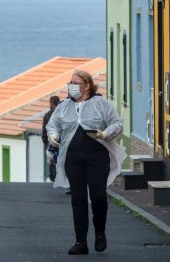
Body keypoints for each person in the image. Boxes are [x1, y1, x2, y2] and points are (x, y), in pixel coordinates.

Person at [46, 70, 125, 255]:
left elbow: (117, 123)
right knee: (78, 198)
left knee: (98, 196)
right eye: (70, 82)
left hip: (97, 155)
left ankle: (100, 232)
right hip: (73, 157)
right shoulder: (64, 106)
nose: (71, 86)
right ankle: (80, 241)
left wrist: (105, 134)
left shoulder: (100, 104)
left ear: (87, 85)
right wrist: (53, 135)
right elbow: (53, 125)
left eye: (75, 82)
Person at [42, 96, 60, 182]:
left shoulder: (48, 115)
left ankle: (53, 176)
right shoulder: (62, 112)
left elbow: (44, 131)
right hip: (61, 141)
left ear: (52, 103)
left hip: (51, 142)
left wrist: (45, 142)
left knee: (52, 160)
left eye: (50, 103)